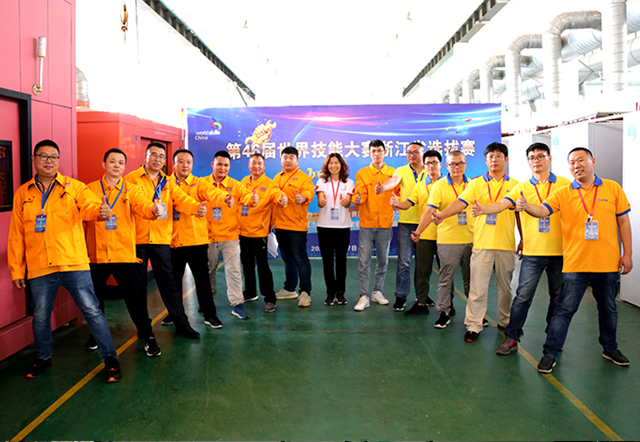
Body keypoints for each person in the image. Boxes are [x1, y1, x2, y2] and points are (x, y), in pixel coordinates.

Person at [8, 139, 121, 382]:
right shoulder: (23, 193)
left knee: (92, 311)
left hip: (74, 263)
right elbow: (16, 234)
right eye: (43, 156)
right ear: (34, 159)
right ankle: (43, 358)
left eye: (54, 157)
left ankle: (110, 359)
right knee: (40, 317)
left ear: (59, 161)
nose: (49, 161)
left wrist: (100, 212)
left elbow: (89, 206)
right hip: (40, 266)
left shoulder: (74, 187)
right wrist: (17, 269)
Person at [516, 147, 632, 373]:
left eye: (581, 160)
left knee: (608, 308)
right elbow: (543, 211)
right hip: (575, 265)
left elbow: (624, 222)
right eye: (572, 162)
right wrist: (526, 206)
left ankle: (610, 348)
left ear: (592, 161)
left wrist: (627, 253)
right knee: (564, 310)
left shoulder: (612, 188)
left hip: (607, 264)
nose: (576, 165)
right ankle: (550, 352)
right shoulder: (563, 193)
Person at [471, 143, 570, 355]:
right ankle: (511, 337)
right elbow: (502, 204)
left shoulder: (564, 185)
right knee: (523, 297)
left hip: (560, 252)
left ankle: (553, 336)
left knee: (558, 297)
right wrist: (483, 209)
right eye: (532, 157)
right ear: (528, 162)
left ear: (549, 158)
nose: (536, 160)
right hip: (533, 253)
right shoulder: (521, 188)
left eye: (541, 156)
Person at [432, 142, 521, 342]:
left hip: (506, 244)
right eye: (490, 157)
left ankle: (505, 321)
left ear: (506, 159)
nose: (494, 160)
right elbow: (460, 202)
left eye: (499, 156)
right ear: (485, 161)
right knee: (477, 288)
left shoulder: (516, 185)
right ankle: (473, 325)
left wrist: (523, 239)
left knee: (505, 288)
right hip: (481, 244)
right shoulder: (476, 184)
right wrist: (442, 215)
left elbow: (517, 214)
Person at [85, 148, 164, 358]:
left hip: (124, 254)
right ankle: (96, 335)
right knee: (95, 301)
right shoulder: (90, 189)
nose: (117, 166)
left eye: (121, 162)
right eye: (112, 161)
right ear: (104, 164)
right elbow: (84, 212)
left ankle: (148, 336)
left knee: (136, 299)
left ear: (124, 167)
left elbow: (142, 205)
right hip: (97, 255)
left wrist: (153, 210)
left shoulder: (131, 190)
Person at [125, 141, 206, 339]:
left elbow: (182, 199)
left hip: (161, 240)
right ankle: (144, 328)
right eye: (154, 155)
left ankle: (182, 324)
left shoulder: (167, 182)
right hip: (138, 240)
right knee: (138, 286)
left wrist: (197, 208)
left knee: (169, 284)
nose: (157, 159)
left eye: (161, 156)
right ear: (145, 157)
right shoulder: (131, 179)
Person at [168, 149, 232, 329]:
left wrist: (225, 197)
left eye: (188, 162)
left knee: (203, 281)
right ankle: (174, 313)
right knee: (173, 281)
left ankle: (210, 314)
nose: (185, 165)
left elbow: (213, 192)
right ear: (174, 164)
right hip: (173, 241)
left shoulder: (199, 183)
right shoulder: (165, 184)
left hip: (197, 241)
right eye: (181, 162)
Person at [414, 150, 472, 328]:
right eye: (452, 164)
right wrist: (419, 231)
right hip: (448, 239)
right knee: (445, 278)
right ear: (446, 166)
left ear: (465, 164)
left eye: (460, 163)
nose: (456, 167)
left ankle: (475, 314)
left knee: (472, 279)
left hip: (472, 239)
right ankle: (444, 313)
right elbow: (429, 210)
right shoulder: (439, 186)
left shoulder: (473, 185)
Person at [204, 150, 257, 319]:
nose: (222, 168)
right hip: (208, 236)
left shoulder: (235, 185)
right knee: (208, 270)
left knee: (233, 271)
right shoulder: (203, 183)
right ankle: (207, 300)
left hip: (230, 236)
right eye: (219, 164)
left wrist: (252, 199)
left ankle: (237, 303)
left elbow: (246, 196)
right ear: (212, 164)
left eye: (226, 165)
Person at [375, 141, 426, 311]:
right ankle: (401, 296)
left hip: (426, 223)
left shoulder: (430, 170)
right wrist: (383, 188)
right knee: (404, 262)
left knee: (422, 263)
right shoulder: (402, 170)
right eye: (409, 152)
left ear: (423, 153)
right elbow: (394, 181)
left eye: (416, 152)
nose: (412, 155)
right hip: (406, 222)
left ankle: (422, 296)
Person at [391, 150, 442, 316]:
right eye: (428, 163)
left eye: (434, 162)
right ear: (424, 166)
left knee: (446, 273)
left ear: (441, 164)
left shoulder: (446, 184)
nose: (431, 166)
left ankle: (447, 307)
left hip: (445, 235)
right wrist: (397, 203)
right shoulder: (420, 186)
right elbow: (408, 203)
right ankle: (421, 303)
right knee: (422, 272)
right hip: (425, 234)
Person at [352, 139, 400, 311]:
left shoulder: (393, 173)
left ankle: (377, 291)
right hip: (367, 223)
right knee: (364, 261)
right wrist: (357, 199)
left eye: (379, 150)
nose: (377, 154)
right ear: (369, 153)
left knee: (383, 260)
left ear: (385, 152)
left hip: (385, 223)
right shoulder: (362, 173)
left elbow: (399, 194)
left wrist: (397, 200)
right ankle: (363, 296)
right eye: (373, 151)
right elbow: (359, 193)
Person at [239, 153, 288, 313]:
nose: (256, 166)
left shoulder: (269, 184)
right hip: (243, 231)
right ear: (249, 165)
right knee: (247, 264)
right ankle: (250, 292)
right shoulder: (244, 181)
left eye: (259, 163)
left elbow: (276, 195)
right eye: (253, 163)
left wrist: (282, 199)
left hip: (259, 233)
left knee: (262, 267)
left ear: (264, 166)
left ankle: (270, 298)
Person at [272, 146, 315, 307]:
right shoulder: (277, 177)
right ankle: (290, 288)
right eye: (285, 157)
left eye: (291, 157)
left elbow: (309, 192)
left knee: (300, 260)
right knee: (287, 259)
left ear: (297, 160)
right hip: (280, 225)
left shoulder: (304, 178)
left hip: (296, 227)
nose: (288, 160)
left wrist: (302, 198)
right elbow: (273, 194)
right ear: (281, 160)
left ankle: (305, 292)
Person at [315, 153, 355, 306]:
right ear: (327, 166)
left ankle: (341, 293)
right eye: (331, 163)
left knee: (341, 262)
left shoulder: (349, 182)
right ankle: (330, 294)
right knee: (327, 262)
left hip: (343, 226)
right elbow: (320, 199)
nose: (333, 166)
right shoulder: (321, 181)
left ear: (341, 165)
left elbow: (348, 202)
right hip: (324, 227)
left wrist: (346, 203)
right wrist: (321, 202)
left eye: (336, 163)